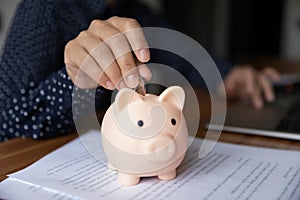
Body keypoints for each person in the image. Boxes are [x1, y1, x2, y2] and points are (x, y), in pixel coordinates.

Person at [0, 0, 280, 142]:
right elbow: (5, 124)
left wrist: (232, 76)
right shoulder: (44, 7)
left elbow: (188, 58)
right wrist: (73, 80)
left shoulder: (135, 10)